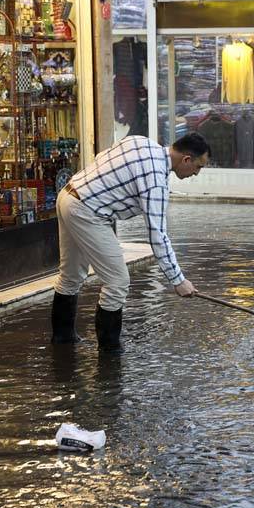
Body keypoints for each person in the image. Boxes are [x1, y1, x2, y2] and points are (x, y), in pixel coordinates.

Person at [50, 133, 211, 349]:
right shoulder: (156, 181)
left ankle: (62, 340)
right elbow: (157, 235)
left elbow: (102, 157)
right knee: (117, 282)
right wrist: (178, 281)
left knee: (70, 275)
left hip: (68, 195)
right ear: (186, 160)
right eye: (198, 167)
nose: (196, 173)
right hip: (87, 211)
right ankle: (109, 354)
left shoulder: (141, 142)